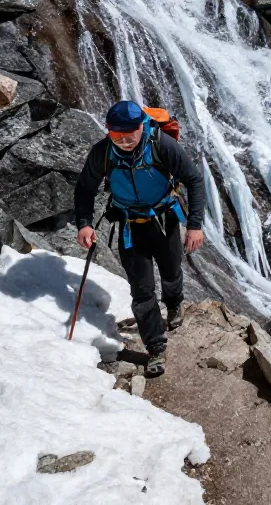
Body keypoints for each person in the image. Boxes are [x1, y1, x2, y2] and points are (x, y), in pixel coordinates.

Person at [73, 101, 206, 378]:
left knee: (171, 272)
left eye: (130, 135)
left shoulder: (162, 144)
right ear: (109, 131)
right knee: (142, 291)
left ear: (140, 127)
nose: (125, 141)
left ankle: (174, 303)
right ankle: (156, 348)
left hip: (164, 220)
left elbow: (194, 180)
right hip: (129, 226)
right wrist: (84, 224)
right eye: (118, 136)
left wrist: (194, 225)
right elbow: (85, 188)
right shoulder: (103, 153)